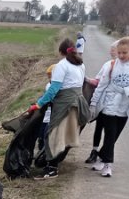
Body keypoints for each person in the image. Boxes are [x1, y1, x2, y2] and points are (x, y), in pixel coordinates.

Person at [28, 38, 89, 178]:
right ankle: (54, 164)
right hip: (77, 104)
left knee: (54, 134)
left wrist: (39, 104)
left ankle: (52, 168)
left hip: (65, 106)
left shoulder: (61, 65)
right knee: (66, 135)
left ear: (61, 52)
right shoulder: (80, 64)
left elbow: (53, 89)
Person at [87, 36, 129, 178]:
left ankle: (102, 157)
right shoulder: (111, 65)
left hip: (125, 105)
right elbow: (101, 85)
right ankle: (108, 165)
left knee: (115, 135)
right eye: (119, 53)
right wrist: (94, 103)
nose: (121, 56)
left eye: (124, 53)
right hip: (109, 103)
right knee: (110, 134)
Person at [86, 42, 118, 164]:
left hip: (115, 104)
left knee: (110, 131)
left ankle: (103, 153)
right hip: (103, 102)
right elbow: (98, 82)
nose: (110, 52)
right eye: (111, 50)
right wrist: (86, 79)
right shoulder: (107, 64)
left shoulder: (126, 67)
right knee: (99, 127)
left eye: (113, 50)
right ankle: (94, 151)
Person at [36, 65, 55, 155]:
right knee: (43, 126)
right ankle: (41, 144)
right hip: (47, 110)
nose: (49, 77)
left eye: (50, 75)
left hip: (52, 109)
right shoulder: (49, 85)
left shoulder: (53, 86)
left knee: (46, 128)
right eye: (48, 75)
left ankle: (44, 147)